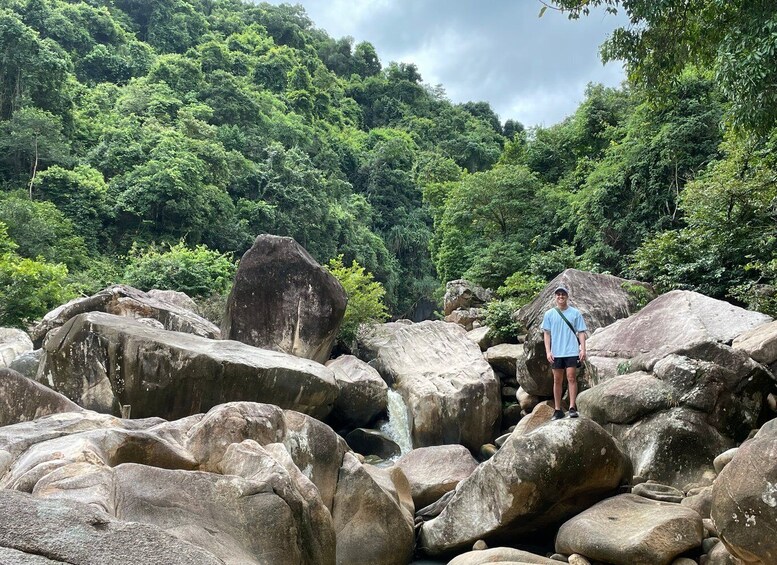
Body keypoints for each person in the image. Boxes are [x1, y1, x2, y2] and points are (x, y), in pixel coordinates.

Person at [541, 285, 587, 421]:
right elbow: (546, 334)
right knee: (557, 380)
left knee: (571, 377)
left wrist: (583, 349)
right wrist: (548, 351)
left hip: (572, 350)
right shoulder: (549, 314)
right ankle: (557, 409)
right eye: (558, 294)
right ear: (555, 297)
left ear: (567, 296)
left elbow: (581, 332)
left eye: (563, 294)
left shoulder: (575, 313)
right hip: (557, 352)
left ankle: (572, 407)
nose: (560, 296)